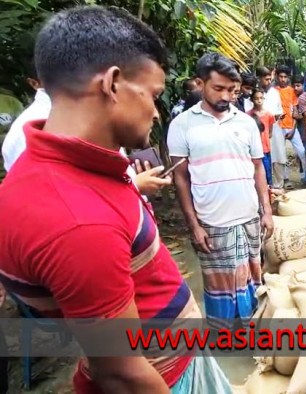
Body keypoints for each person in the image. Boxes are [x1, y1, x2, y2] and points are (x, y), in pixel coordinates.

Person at [0, 6, 232, 392]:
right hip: (167, 378)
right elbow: (122, 372)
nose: (157, 113)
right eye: (154, 95)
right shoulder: (76, 219)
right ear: (112, 83)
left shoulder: (63, 171)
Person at [168, 52, 273, 325]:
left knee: (253, 277)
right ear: (200, 84)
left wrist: (267, 211)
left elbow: (258, 168)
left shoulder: (246, 123)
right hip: (211, 221)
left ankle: (253, 331)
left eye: (231, 90)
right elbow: (181, 178)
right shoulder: (182, 125)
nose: (226, 96)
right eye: (219, 88)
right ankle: (224, 333)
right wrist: (194, 226)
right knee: (219, 284)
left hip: (248, 217)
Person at [1, 60, 170, 198]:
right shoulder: (37, 126)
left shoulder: (82, 116)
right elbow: (52, 202)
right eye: (152, 96)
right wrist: (134, 186)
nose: (155, 113)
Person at [275, 65, 304, 187]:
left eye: (285, 77)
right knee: (281, 154)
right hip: (277, 126)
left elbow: (295, 111)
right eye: (280, 76)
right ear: (277, 77)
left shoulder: (292, 91)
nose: (282, 79)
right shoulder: (273, 92)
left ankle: (304, 177)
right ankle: (286, 179)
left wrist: (293, 129)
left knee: (302, 152)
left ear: (288, 78)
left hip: (291, 126)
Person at [257, 66, 285, 188]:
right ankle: (265, 186)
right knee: (263, 157)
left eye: (270, 79)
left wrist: (278, 116)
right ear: (259, 78)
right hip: (260, 131)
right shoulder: (255, 94)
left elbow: (279, 110)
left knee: (278, 157)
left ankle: (279, 185)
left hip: (275, 128)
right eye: (266, 79)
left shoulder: (274, 93)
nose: (269, 82)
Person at [248, 89, 274, 185]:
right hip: (253, 149)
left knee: (267, 173)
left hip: (265, 148)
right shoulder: (248, 115)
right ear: (252, 100)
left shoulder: (269, 115)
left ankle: (269, 192)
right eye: (256, 98)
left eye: (261, 98)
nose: (259, 101)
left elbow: (270, 132)